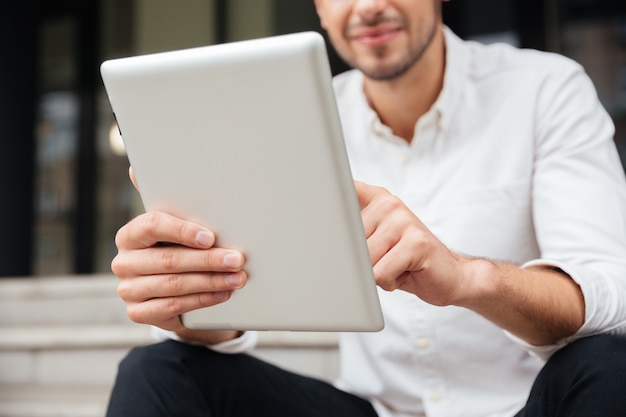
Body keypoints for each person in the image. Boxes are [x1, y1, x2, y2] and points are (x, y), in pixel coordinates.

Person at [106, 0, 626, 416]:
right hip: (376, 410)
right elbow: (252, 289)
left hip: (527, 403)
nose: (369, 6)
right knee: (155, 371)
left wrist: (471, 278)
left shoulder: (545, 89)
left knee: (605, 363)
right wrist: (192, 299)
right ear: (319, 9)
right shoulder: (299, 118)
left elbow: (609, 293)